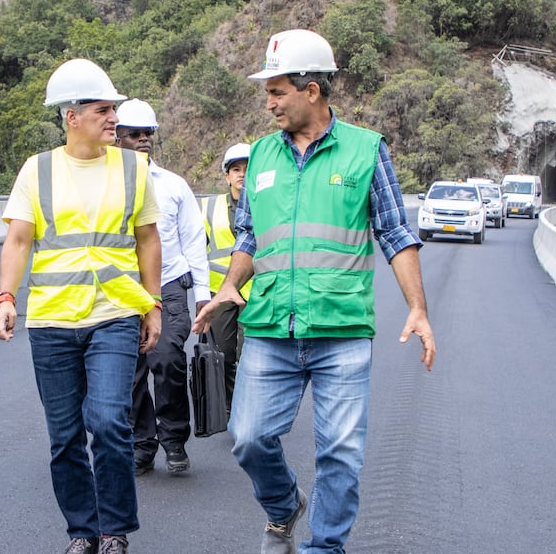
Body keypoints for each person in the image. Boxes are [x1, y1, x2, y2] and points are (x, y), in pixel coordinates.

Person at [192, 30, 436, 554]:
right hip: (271, 324)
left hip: (341, 328)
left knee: (341, 453)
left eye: (278, 91)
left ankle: (324, 548)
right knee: (248, 436)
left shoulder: (365, 150)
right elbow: (252, 236)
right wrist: (231, 285)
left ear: (312, 89)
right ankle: (284, 506)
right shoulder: (259, 156)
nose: (269, 102)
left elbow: (394, 231)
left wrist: (418, 307)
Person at [0, 59, 164, 554]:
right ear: (72, 116)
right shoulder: (38, 169)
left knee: (110, 421)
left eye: (114, 109)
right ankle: (82, 532)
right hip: (51, 321)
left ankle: (115, 531)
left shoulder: (133, 167)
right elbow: (18, 240)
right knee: (64, 436)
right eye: (103, 109)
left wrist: (152, 305)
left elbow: (148, 239)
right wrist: (6, 297)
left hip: (114, 313)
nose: (114, 118)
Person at [112, 98, 210, 476]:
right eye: (133, 134)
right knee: (130, 370)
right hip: (122, 291)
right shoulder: (106, 186)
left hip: (168, 287)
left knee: (167, 360)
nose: (142, 140)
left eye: (147, 133)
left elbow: (192, 240)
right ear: (116, 137)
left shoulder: (173, 186)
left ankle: (173, 439)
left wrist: (203, 295)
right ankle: (142, 442)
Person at [199, 142, 252, 409]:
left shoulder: (267, 205)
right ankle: (231, 405)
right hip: (219, 292)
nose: (242, 174)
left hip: (257, 291)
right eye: (236, 169)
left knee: (251, 354)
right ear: (226, 175)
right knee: (224, 353)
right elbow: (197, 249)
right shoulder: (209, 207)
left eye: (247, 169)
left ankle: (246, 409)